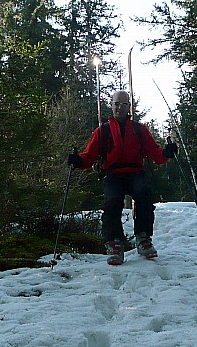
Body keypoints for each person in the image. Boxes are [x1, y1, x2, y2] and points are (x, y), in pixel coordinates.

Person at [68, 90, 178, 265]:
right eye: (116, 104)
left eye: (123, 104)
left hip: (135, 171)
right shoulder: (102, 131)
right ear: (111, 105)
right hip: (113, 174)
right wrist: (78, 161)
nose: (119, 108)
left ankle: (143, 238)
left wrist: (166, 152)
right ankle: (114, 242)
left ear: (129, 107)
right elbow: (89, 156)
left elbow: (155, 153)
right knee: (112, 201)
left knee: (144, 193)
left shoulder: (139, 129)